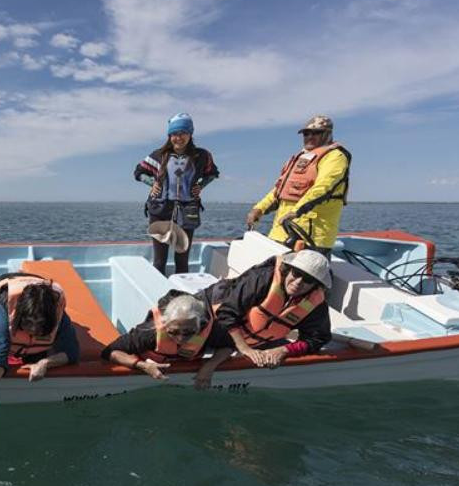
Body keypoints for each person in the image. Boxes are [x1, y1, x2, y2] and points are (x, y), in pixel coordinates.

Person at [0, 273, 80, 419]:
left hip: (38, 290)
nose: (34, 331)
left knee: (37, 359)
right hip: (4, 288)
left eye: (39, 327)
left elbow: (72, 352)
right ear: (20, 317)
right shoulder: (6, 307)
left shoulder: (57, 313)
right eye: (29, 325)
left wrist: (45, 363)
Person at [244, 115, 351, 254]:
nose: (310, 137)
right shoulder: (301, 158)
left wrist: (296, 211)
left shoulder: (336, 157)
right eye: (306, 133)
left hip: (311, 237)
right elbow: (279, 189)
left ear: (328, 134)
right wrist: (259, 209)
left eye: (316, 133)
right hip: (281, 233)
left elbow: (324, 187)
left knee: (299, 275)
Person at [210, 250, 332, 368]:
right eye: (296, 273)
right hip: (213, 323)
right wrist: (245, 349)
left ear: (316, 285)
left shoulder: (315, 305)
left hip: (253, 342)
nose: (298, 282)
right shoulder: (261, 278)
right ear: (288, 270)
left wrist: (285, 350)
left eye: (308, 280)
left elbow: (318, 338)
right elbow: (226, 312)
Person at [133, 112, 219, 275]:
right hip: (160, 211)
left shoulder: (202, 156)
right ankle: (158, 296)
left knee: (182, 259)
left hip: (187, 213)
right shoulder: (158, 155)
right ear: (169, 135)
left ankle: (180, 296)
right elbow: (138, 172)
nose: (178, 138)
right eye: (174, 134)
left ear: (190, 134)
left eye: (183, 133)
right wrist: (152, 183)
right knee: (159, 260)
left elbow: (213, 173)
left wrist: (201, 186)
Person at [102, 291, 235, 390]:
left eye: (189, 332)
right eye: (173, 332)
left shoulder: (210, 328)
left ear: (200, 324)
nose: (180, 339)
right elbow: (110, 351)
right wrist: (142, 365)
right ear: (165, 324)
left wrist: (209, 367)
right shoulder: (149, 332)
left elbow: (228, 346)